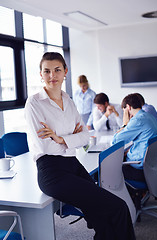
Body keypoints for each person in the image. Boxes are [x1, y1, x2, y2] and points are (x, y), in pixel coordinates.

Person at [25, 52, 135, 240]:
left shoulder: (69, 101)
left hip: (73, 164)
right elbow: (44, 147)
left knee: (102, 216)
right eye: (47, 71)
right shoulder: (34, 103)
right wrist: (71, 139)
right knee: (118, 208)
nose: (52, 76)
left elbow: (85, 136)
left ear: (65, 72)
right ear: (41, 74)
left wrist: (60, 139)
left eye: (57, 70)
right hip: (52, 171)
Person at [112, 93, 157, 182]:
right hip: (152, 167)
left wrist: (125, 124)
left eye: (124, 111)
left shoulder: (138, 119)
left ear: (128, 107)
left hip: (139, 169)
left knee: (110, 169)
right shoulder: (149, 116)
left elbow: (116, 140)